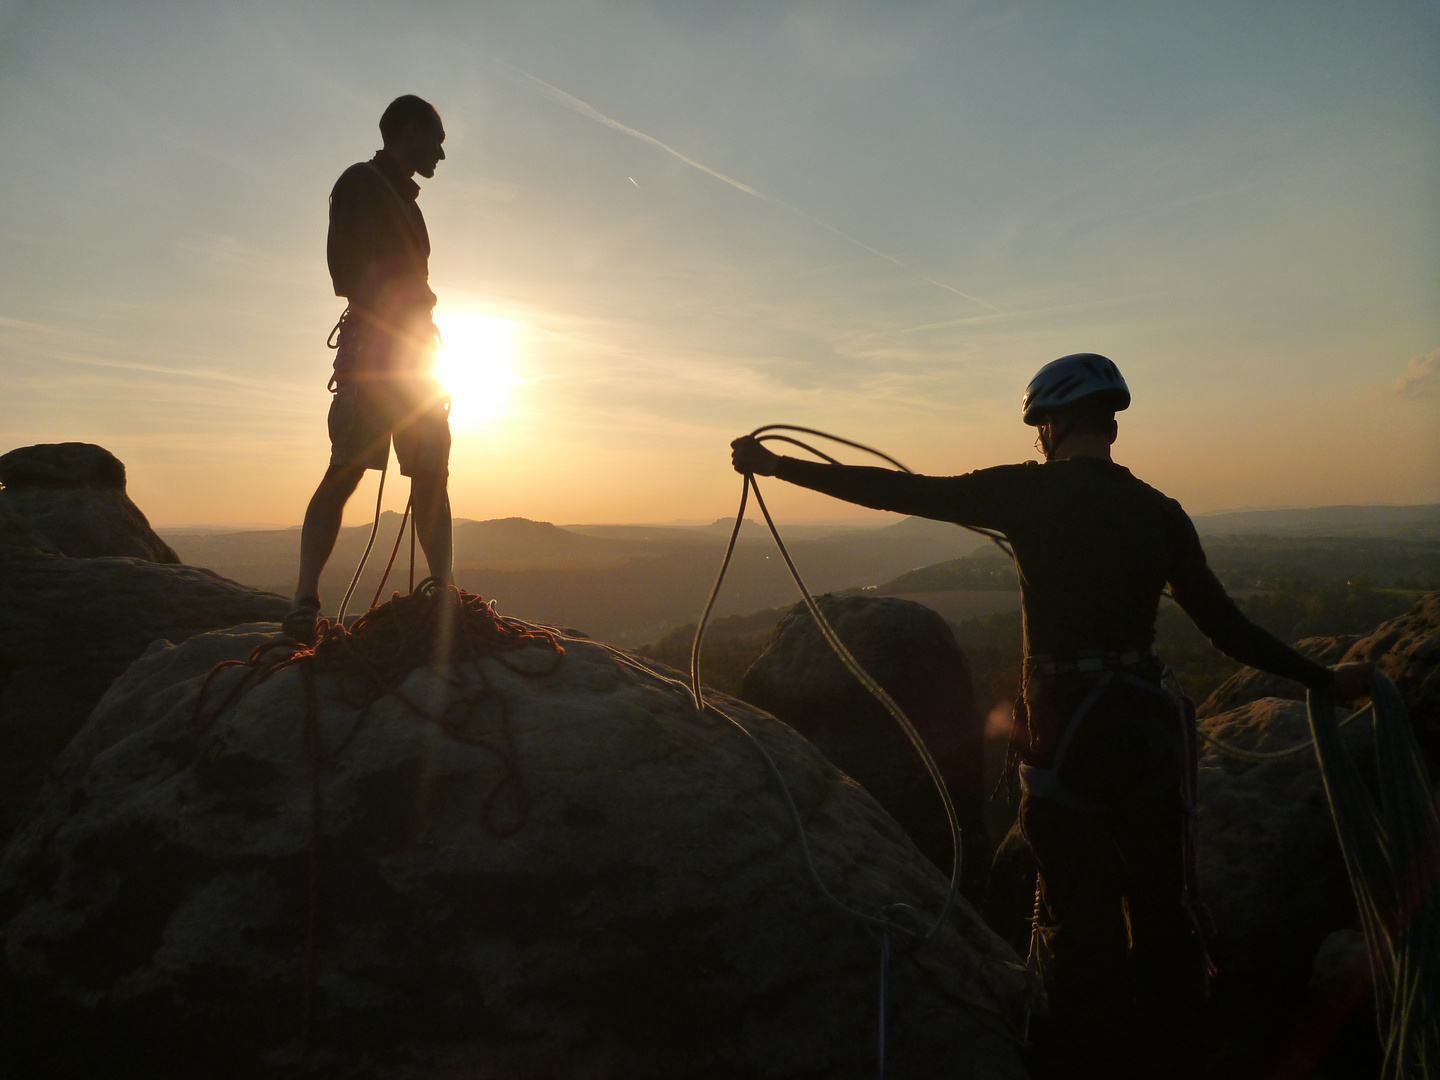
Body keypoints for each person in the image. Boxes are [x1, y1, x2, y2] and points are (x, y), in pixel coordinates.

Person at [730, 353, 1372, 1080]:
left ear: (1054, 422)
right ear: (1111, 425)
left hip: (1070, 737)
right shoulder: (1161, 513)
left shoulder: (1027, 495)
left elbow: (898, 493)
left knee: (1078, 925)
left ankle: (1084, 1058)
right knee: (1163, 916)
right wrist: (1325, 678)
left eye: (1040, 425)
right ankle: (1177, 1054)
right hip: (1149, 732)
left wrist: (778, 466)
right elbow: (1228, 630)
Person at [283, 95, 454, 645]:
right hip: (381, 355)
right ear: (408, 131)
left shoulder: (405, 203)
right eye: (436, 140)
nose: (442, 155)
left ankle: (443, 592)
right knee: (347, 471)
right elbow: (347, 270)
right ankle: (305, 600)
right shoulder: (360, 184)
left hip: (407, 355)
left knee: (430, 473)